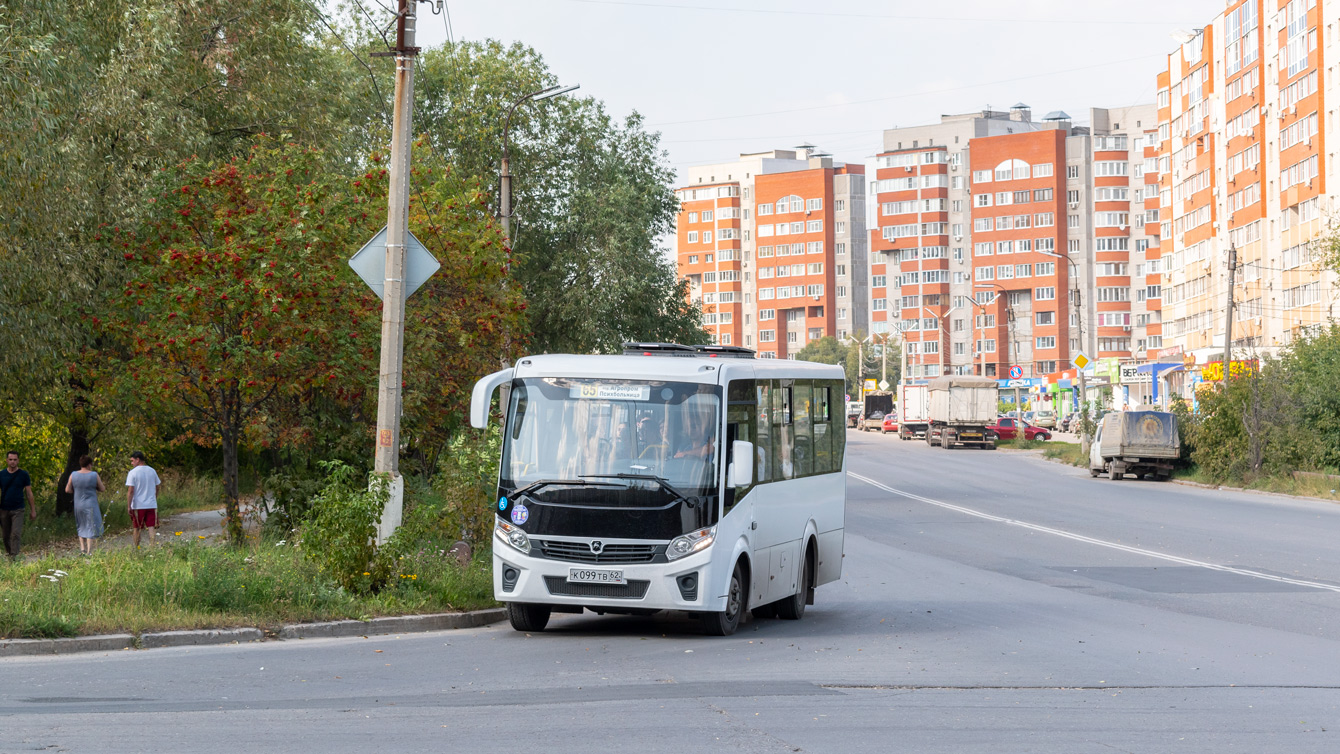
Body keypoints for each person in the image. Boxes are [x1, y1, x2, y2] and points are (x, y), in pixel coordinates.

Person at [65, 455, 106, 556]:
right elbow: (102, 488)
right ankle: (89, 551)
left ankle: (82, 549)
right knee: (91, 526)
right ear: (89, 464)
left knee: (81, 524)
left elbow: (67, 489)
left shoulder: (73, 474)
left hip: (78, 504)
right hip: (91, 504)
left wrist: (76, 490)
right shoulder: (94, 475)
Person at [0, 450, 37, 561]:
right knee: (6, 536)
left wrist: (33, 510)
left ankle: (14, 556)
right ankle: (10, 553)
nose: (13, 462)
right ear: (7, 460)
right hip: (4, 508)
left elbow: (29, 492)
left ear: (18, 460)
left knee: (15, 533)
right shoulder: (1, 474)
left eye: (15, 460)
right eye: (10, 459)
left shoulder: (23, 474)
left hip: (18, 509)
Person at [125, 451, 162, 549]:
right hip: (151, 504)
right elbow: (157, 486)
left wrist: (129, 506)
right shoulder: (152, 471)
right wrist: (154, 497)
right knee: (151, 528)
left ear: (138, 460)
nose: (132, 463)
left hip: (138, 505)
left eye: (132, 461)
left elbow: (131, 490)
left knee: (136, 528)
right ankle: (152, 547)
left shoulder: (133, 473)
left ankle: (137, 548)